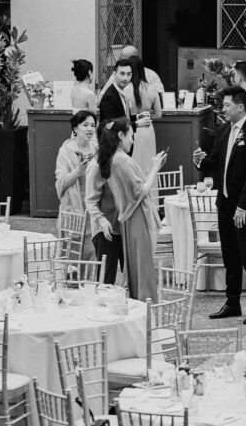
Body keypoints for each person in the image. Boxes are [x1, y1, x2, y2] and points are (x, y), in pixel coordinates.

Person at [193, 84, 246, 325]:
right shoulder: (225, 130)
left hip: (244, 206)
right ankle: (232, 302)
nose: (223, 109)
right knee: (230, 255)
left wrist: (243, 207)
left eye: (227, 105)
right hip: (225, 203)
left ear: (240, 106)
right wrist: (200, 161)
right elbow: (216, 162)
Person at [95, 118, 167, 302]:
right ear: (121, 135)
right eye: (131, 136)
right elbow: (141, 191)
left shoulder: (112, 158)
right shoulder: (122, 160)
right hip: (137, 216)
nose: (132, 141)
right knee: (142, 267)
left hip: (128, 217)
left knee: (135, 266)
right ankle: (146, 305)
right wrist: (155, 168)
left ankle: (139, 303)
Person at [54, 109, 98, 259]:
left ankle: (90, 275)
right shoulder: (66, 151)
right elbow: (61, 183)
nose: (90, 129)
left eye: (93, 125)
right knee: (71, 254)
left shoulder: (96, 149)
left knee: (92, 252)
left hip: (93, 207)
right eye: (85, 125)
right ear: (75, 128)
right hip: (73, 208)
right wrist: (78, 171)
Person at [85, 154, 124, 284]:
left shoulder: (122, 160)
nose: (132, 143)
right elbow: (91, 201)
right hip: (105, 231)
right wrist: (101, 220)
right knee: (106, 282)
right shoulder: (95, 166)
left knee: (131, 280)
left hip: (123, 227)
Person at [124, 54, 162, 180]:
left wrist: (136, 117)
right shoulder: (152, 89)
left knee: (132, 163)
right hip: (147, 128)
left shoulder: (125, 90)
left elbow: (124, 115)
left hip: (132, 129)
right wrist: (145, 115)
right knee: (149, 163)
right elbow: (158, 114)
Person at [98, 60, 150, 151]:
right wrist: (136, 124)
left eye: (129, 74)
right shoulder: (110, 96)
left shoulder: (121, 92)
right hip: (113, 146)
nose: (125, 78)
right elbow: (110, 125)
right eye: (122, 74)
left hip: (122, 144)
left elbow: (122, 117)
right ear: (114, 74)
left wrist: (137, 117)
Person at [98, 44, 164, 105]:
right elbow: (102, 97)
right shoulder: (116, 75)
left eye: (123, 60)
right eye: (120, 59)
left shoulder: (151, 75)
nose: (120, 62)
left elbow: (161, 98)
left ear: (134, 60)